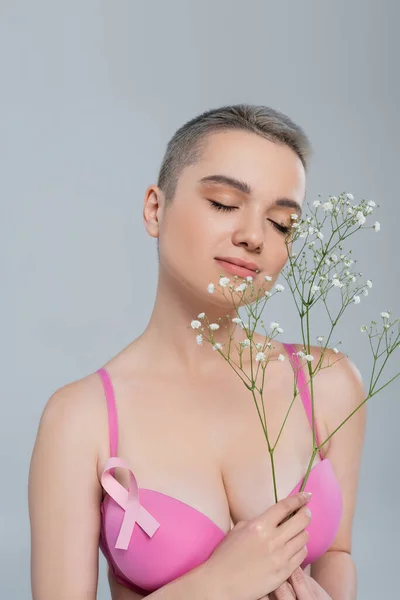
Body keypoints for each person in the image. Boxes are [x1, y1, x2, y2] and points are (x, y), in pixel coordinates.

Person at [28, 104, 366, 599]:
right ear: (154, 209)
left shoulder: (328, 383)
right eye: (226, 203)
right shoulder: (81, 419)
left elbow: (335, 554)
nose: (253, 237)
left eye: (280, 223)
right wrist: (216, 584)